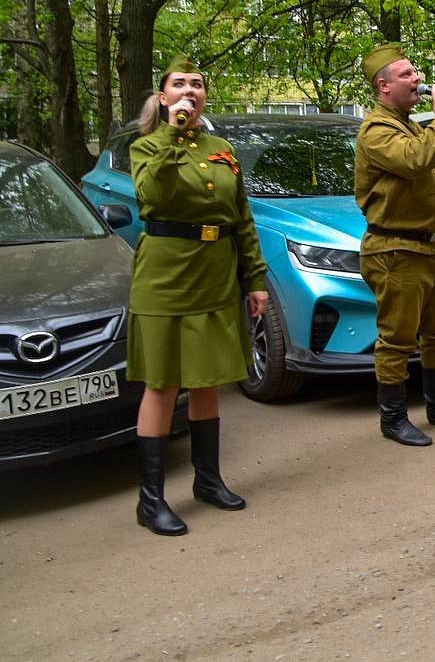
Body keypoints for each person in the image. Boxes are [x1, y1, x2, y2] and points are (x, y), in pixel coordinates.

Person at [128, 55, 269, 536]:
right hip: (165, 277)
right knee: (164, 384)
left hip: (214, 272)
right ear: (163, 96)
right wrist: (171, 131)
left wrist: (254, 278)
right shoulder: (148, 145)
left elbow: (241, 216)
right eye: (179, 84)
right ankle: (151, 502)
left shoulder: (221, 148)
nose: (190, 90)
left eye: (198, 84)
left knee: (208, 380)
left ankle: (207, 481)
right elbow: (152, 196)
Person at [355, 43, 435, 447]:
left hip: (425, 248)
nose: (418, 80)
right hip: (394, 250)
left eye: (415, 73)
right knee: (397, 338)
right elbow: (415, 160)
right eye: (408, 74)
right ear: (384, 86)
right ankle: (392, 419)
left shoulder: (411, 125)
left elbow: (429, 186)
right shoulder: (377, 130)